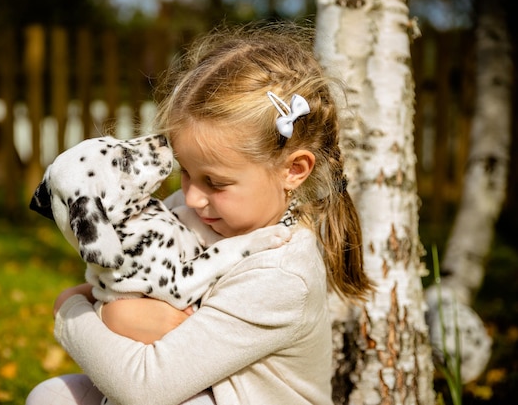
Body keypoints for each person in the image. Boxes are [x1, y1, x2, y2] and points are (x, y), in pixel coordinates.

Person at [26, 21, 373, 405]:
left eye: (216, 183)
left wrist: (70, 310)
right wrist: (115, 315)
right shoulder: (190, 210)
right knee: (51, 396)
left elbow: (145, 389)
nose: (191, 198)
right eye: (185, 173)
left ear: (293, 170)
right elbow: (123, 287)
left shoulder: (282, 274)